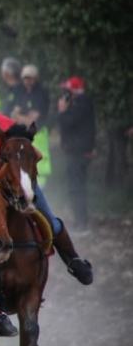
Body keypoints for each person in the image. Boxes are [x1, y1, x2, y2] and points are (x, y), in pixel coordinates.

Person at [0, 87, 93, 284]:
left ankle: (73, 260)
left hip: (6, 182)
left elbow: (25, 149)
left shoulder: (1, 125)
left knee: (49, 219)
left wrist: (22, 179)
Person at [57, 76, 97, 234]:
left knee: (77, 187)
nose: (65, 94)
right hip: (75, 150)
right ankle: (79, 221)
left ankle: (82, 224)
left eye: (67, 91)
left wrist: (62, 111)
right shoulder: (79, 103)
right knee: (75, 186)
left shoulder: (82, 103)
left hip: (79, 152)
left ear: (73, 90)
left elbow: (68, 122)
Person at [11, 64, 52, 182]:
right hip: (24, 135)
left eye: (30, 78)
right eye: (25, 78)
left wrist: (20, 116)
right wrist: (21, 116)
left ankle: (40, 194)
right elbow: (14, 114)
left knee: (39, 166)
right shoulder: (21, 92)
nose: (27, 81)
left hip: (38, 135)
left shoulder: (41, 93)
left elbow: (32, 120)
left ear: (36, 78)